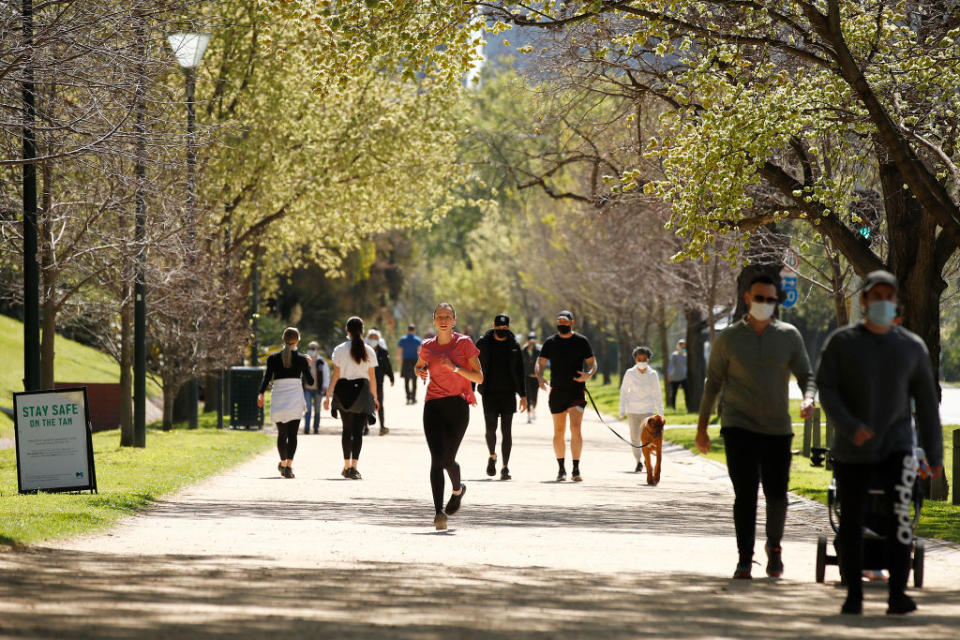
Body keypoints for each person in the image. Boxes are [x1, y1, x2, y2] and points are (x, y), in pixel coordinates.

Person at [816, 270, 943, 616]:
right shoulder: (842, 343)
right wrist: (848, 424)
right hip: (851, 451)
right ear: (864, 300)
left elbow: (928, 404)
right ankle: (853, 595)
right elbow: (826, 387)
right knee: (852, 520)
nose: (883, 302)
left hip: (897, 448)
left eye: (889, 296)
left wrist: (935, 455)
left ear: (896, 300)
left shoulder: (911, 347)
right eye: (876, 296)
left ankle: (897, 596)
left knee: (901, 520)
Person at [696, 274, 816, 580]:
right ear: (747, 298)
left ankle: (774, 549)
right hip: (739, 427)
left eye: (770, 300)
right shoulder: (729, 338)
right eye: (759, 298)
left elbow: (806, 375)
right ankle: (744, 559)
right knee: (746, 495)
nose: (765, 304)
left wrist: (809, 398)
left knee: (777, 495)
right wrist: (702, 427)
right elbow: (713, 384)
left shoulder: (789, 335)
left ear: (777, 301)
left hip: (777, 428)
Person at [414, 302, 483, 530]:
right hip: (433, 405)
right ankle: (438, 512)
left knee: (447, 459)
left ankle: (458, 489)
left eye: (448, 316)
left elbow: (479, 378)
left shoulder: (464, 344)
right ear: (433, 321)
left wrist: (455, 368)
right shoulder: (426, 346)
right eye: (439, 316)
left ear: (454, 320)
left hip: (458, 405)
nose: (443, 319)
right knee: (436, 459)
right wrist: (419, 370)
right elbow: (419, 365)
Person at [536, 310, 596, 482]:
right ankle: (561, 469)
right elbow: (540, 363)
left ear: (572, 323)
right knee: (559, 431)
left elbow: (592, 363)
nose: (562, 324)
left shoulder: (581, 341)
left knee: (576, 428)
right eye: (559, 322)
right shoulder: (550, 342)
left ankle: (576, 469)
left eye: (565, 322)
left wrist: (588, 374)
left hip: (576, 390)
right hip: (557, 391)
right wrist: (540, 378)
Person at [324, 317, 379, 480]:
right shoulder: (369, 350)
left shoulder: (339, 349)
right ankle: (354, 467)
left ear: (347, 330)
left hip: (343, 391)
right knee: (358, 432)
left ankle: (346, 465)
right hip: (362, 392)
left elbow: (336, 374)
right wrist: (375, 398)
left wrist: (328, 395)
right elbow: (372, 378)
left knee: (346, 430)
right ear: (362, 330)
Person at [476, 314, 527, 480]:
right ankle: (492, 456)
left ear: (509, 327)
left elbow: (520, 372)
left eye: (505, 328)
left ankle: (505, 467)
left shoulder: (513, 345)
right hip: (489, 392)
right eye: (499, 327)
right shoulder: (483, 343)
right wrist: (470, 389)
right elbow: (471, 365)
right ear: (494, 325)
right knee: (490, 428)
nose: (502, 331)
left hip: (508, 393)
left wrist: (524, 395)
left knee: (507, 430)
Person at [258, 327, 314, 478]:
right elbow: (310, 381)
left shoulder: (273, 358)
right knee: (293, 434)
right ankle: (289, 465)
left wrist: (261, 393)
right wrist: (307, 365)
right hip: (295, 397)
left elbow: (267, 378)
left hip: (279, 397)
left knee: (282, 434)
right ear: (298, 340)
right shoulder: (302, 359)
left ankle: (282, 463)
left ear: (283, 339)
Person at [619, 346, 664, 472]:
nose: (642, 361)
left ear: (648, 359)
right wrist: (621, 410)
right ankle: (638, 461)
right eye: (639, 359)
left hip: (648, 411)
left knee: (648, 437)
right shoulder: (629, 373)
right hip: (633, 410)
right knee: (634, 437)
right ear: (635, 359)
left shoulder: (653, 374)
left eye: (644, 358)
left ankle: (646, 457)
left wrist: (660, 412)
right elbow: (623, 392)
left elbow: (657, 393)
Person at [367, 329, 395, 435]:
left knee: (379, 404)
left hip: (378, 382)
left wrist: (391, 377)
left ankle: (382, 426)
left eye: (375, 338)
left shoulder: (383, 352)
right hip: (365, 381)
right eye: (371, 338)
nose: (373, 340)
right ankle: (365, 427)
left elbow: (387, 366)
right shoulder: (362, 350)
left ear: (378, 339)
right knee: (365, 404)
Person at [303, 341, 329, 435]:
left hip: (318, 389)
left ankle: (316, 428)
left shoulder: (322, 362)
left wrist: (325, 387)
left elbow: (326, 375)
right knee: (308, 408)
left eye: (313, 349)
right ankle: (306, 428)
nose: (311, 350)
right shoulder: (305, 360)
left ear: (318, 351)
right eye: (310, 348)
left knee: (317, 410)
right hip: (307, 389)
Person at [397, 324, 423, 404]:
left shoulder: (403, 339)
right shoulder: (418, 339)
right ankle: (414, 398)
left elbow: (399, 351)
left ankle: (408, 398)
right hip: (415, 361)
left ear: (408, 330)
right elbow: (420, 352)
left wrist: (399, 360)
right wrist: (421, 362)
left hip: (406, 361)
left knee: (406, 380)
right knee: (414, 380)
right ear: (414, 331)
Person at [521, 332, 541, 423]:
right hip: (526, 377)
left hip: (536, 377)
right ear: (527, 341)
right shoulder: (523, 351)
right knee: (528, 396)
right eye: (530, 340)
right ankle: (529, 415)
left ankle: (533, 409)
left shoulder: (538, 351)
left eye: (533, 340)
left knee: (535, 396)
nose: (532, 342)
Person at [667, 339, 688, 410]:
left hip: (684, 376)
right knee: (674, 393)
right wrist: (669, 374)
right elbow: (671, 365)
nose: (682, 348)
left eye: (683, 346)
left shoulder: (686, 355)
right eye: (681, 346)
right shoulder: (674, 355)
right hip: (675, 377)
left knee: (686, 392)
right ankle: (673, 407)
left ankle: (688, 407)